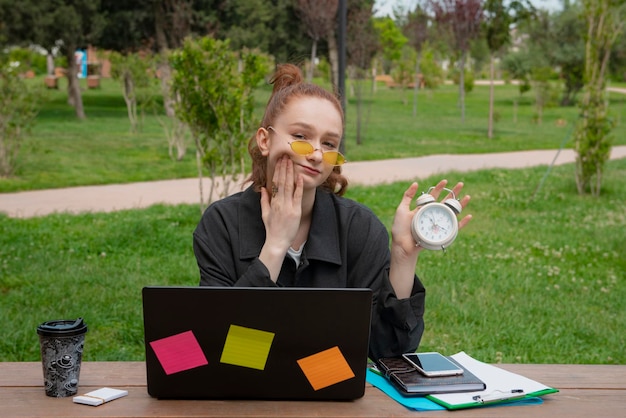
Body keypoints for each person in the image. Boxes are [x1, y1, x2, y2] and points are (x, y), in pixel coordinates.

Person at [193, 63, 472, 361]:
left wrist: (403, 258)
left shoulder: (358, 227)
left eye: (329, 143)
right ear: (265, 140)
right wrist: (275, 245)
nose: (315, 154)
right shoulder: (220, 224)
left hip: (330, 390)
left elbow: (388, 351)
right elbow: (224, 348)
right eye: (301, 136)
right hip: (246, 391)